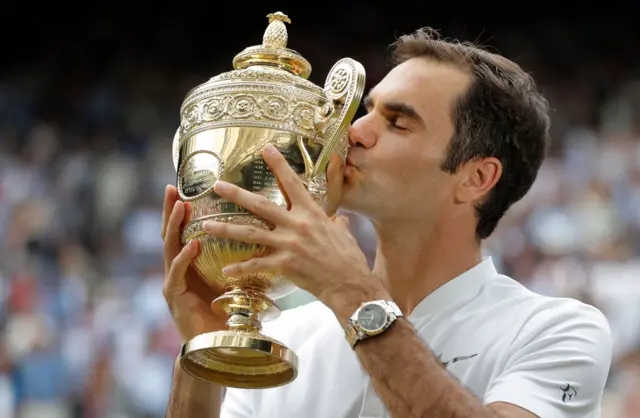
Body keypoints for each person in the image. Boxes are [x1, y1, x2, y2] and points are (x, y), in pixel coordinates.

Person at [161, 28, 612, 418]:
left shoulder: (556, 331)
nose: (354, 131)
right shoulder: (285, 336)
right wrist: (202, 354)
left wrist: (353, 296)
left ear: (476, 178)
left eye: (397, 122)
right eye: (367, 109)